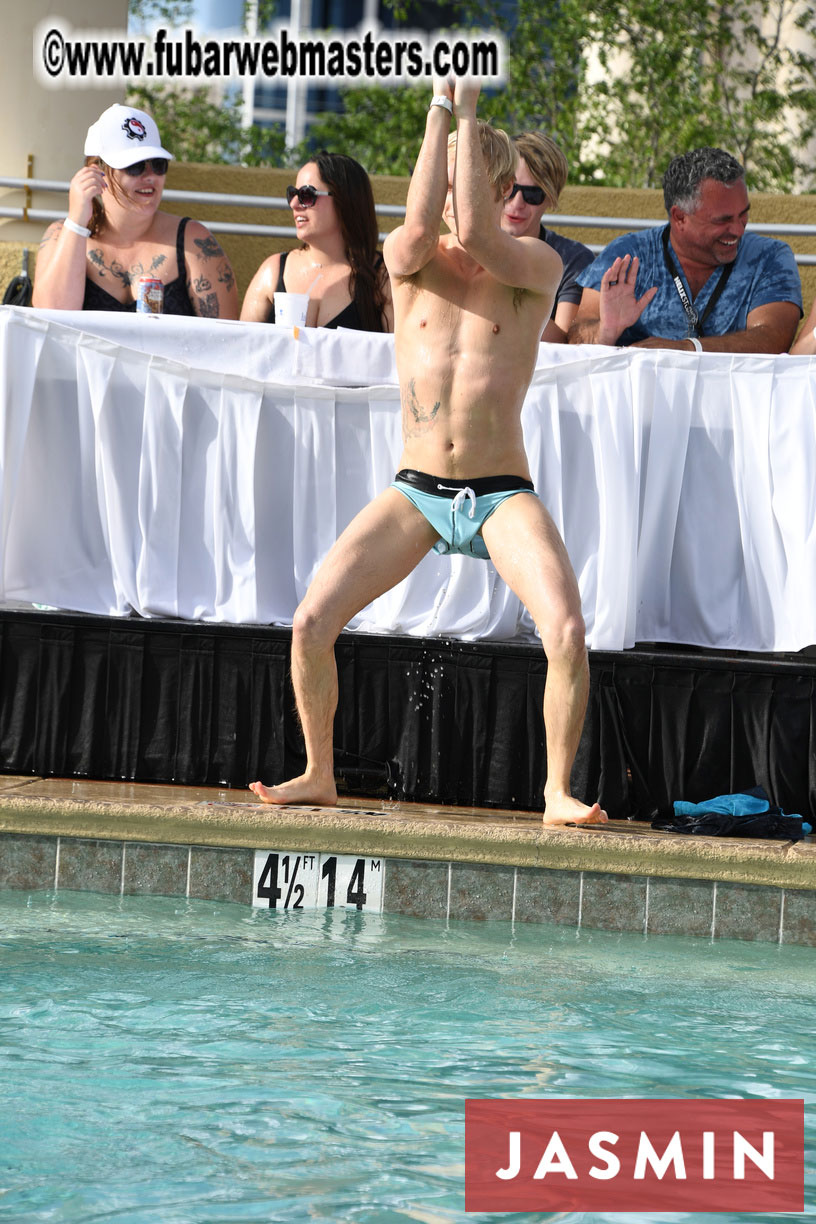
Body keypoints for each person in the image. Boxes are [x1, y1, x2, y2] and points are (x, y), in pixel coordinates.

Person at [249, 78, 606, 827]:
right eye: (442, 181)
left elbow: (480, 236)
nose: (449, 198)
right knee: (312, 621)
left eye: (464, 181)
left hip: (501, 488)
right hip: (417, 490)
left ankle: (556, 790)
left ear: (500, 189)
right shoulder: (407, 259)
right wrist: (440, 114)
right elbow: (426, 223)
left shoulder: (535, 271)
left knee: (567, 632)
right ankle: (318, 771)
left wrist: (468, 111)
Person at [568, 146, 802, 353]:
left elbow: (772, 340)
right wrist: (606, 331)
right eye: (722, 220)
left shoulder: (770, 257)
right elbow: (576, 337)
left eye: (743, 215)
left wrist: (686, 350)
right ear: (679, 217)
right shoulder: (627, 255)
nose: (738, 230)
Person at [32, 104, 238, 318]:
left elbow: (225, 339)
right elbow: (52, 318)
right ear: (96, 172)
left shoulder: (193, 241)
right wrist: (76, 221)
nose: (150, 176)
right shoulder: (62, 236)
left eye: (158, 164)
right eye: (135, 165)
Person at [240, 152, 392, 331]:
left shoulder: (382, 278)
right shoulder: (273, 272)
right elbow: (242, 349)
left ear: (344, 200)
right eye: (292, 194)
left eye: (306, 194)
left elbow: (400, 354)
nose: (294, 204)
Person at [501, 131, 593, 342]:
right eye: (509, 189)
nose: (517, 203)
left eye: (533, 194)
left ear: (551, 198)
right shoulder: (466, 245)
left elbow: (562, 341)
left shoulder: (573, 259)